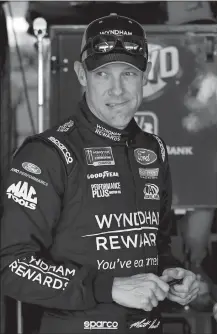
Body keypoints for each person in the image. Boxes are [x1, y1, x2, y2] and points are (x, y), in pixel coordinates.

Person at [0, 14, 200, 334]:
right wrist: (109, 287)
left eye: (129, 74)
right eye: (102, 73)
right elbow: (10, 266)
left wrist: (174, 276)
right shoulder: (47, 153)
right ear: (82, 74)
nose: (117, 90)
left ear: (144, 77)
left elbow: (157, 246)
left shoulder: (155, 149)